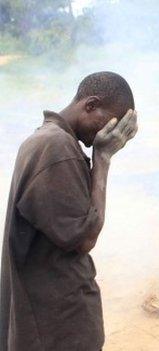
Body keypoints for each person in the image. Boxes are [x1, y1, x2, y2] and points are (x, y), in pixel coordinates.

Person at [0, 71, 138, 351]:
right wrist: (103, 157)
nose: (107, 133)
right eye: (109, 123)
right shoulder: (56, 147)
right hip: (57, 325)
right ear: (90, 105)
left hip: (51, 317)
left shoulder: (50, 141)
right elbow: (85, 238)